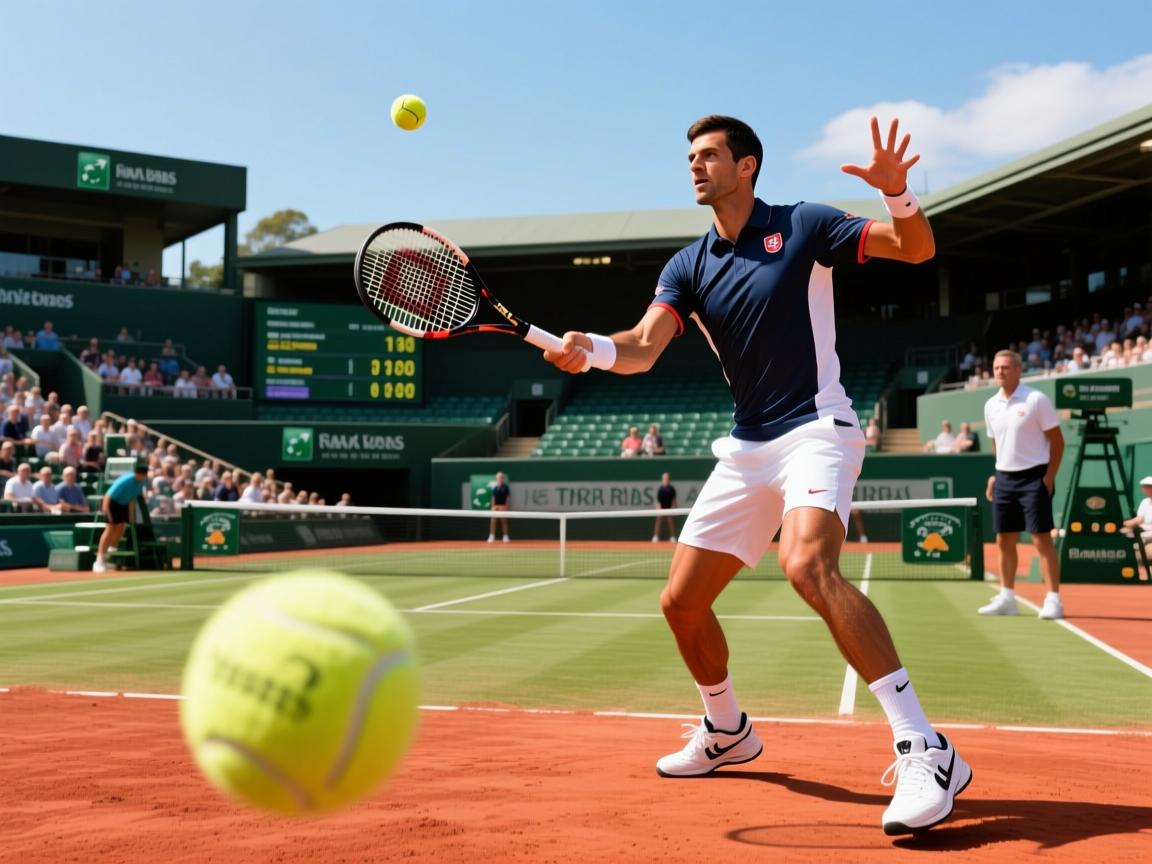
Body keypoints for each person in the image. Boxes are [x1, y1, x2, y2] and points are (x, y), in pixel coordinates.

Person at [542, 114, 969, 835]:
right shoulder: (688, 265)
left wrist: (899, 196)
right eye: (690, 156)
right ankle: (728, 729)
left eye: (709, 155)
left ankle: (926, 747)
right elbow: (644, 347)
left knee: (806, 564)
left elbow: (917, 250)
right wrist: (591, 348)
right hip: (746, 447)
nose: (695, 165)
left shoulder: (802, 225)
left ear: (747, 166)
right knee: (680, 603)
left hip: (816, 428)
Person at [981, 349, 1065, 620]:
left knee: (1041, 539)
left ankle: (1053, 599)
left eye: (1005, 367)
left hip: (1034, 477)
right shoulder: (990, 405)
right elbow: (998, 444)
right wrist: (996, 474)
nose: (1000, 372)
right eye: (996, 368)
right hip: (1005, 477)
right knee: (1004, 539)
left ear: (1018, 369)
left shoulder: (1036, 399)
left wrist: (1049, 477)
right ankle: (1007, 598)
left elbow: (1057, 442)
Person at [93, 461, 150, 572]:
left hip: (123, 505)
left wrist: (130, 516)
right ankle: (98, 561)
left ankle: (109, 556)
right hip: (111, 504)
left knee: (120, 528)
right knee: (110, 529)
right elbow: (108, 496)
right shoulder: (126, 480)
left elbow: (132, 499)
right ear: (139, 474)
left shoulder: (141, 482)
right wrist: (107, 512)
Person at [1122, 476, 1152, 561]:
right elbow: (1139, 519)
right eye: (1144, 487)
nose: (1146, 489)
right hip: (1142, 529)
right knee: (1123, 532)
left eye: (1148, 486)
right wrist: (1124, 524)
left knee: (1140, 538)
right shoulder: (1145, 502)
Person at [653, 472, 677, 542]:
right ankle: (655, 536)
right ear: (662, 480)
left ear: (669, 480)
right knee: (658, 520)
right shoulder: (660, 489)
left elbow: (674, 500)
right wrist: (658, 509)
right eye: (664, 479)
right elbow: (658, 501)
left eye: (667, 478)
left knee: (670, 521)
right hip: (662, 508)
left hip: (669, 508)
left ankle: (672, 537)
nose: (665, 480)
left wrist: (674, 508)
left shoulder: (672, 489)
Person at [487, 471, 511, 543]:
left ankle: (505, 536)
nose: (499, 479)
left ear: (503, 478)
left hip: (503, 507)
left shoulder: (506, 487)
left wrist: (505, 507)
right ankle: (492, 536)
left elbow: (507, 498)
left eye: (501, 477)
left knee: (504, 522)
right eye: (498, 477)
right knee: (493, 521)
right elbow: (493, 498)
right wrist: (493, 507)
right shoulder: (494, 488)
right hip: (495, 507)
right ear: (496, 478)